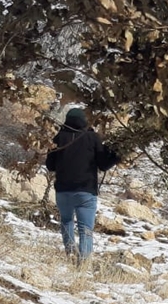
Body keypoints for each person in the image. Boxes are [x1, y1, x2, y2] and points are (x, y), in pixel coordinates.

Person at [45, 108, 119, 262]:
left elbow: (50, 165)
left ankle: (71, 253)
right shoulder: (92, 138)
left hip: (63, 191)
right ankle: (84, 262)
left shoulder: (58, 138)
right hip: (85, 191)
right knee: (85, 229)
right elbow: (104, 164)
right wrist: (117, 156)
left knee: (66, 221)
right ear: (85, 121)